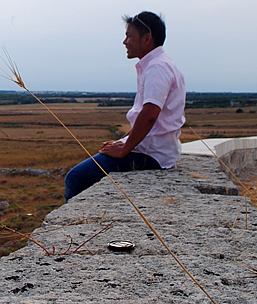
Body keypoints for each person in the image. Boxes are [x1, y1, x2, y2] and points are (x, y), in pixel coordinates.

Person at [64, 11, 186, 202]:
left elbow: (150, 114)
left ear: (147, 39)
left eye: (129, 36)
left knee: (76, 178)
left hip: (150, 155)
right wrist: (124, 140)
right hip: (153, 150)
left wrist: (124, 148)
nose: (125, 41)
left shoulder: (157, 67)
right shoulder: (158, 64)